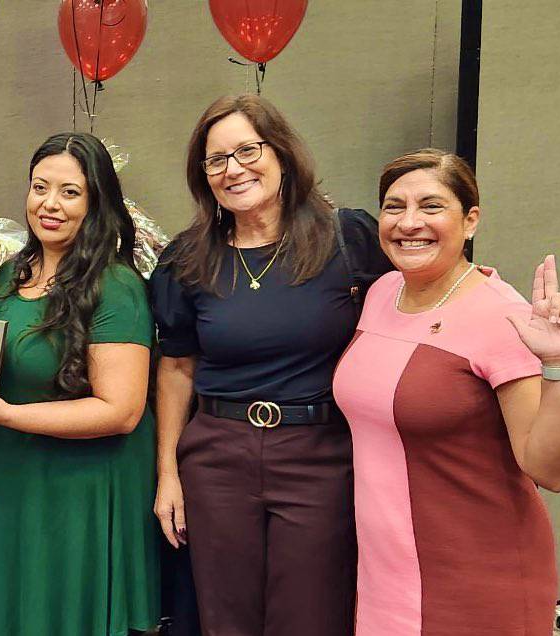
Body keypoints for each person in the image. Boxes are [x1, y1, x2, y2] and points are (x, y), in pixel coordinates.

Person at [149, 94, 393, 636]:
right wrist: (168, 473)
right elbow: (177, 367)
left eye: (247, 150)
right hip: (217, 455)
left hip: (320, 454)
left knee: (311, 615)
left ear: (281, 154)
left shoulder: (347, 239)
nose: (233, 169)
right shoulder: (186, 259)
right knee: (224, 616)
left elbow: (410, 308)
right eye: (216, 160)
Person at [333, 149, 560, 635]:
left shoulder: (502, 314)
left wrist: (557, 364)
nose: (409, 223)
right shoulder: (383, 292)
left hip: (477, 577)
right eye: (393, 207)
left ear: (470, 221)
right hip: (386, 574)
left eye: (431, 207)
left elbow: (553, 470)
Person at [0, 132, 160, 636]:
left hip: (77, 489)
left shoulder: (116, 286)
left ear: (96, 202)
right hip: (11, 475)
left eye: (70, 192)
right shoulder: (6, 276)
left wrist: (8, 415)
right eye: (40, 187)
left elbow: (120, 410)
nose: (50, 204)